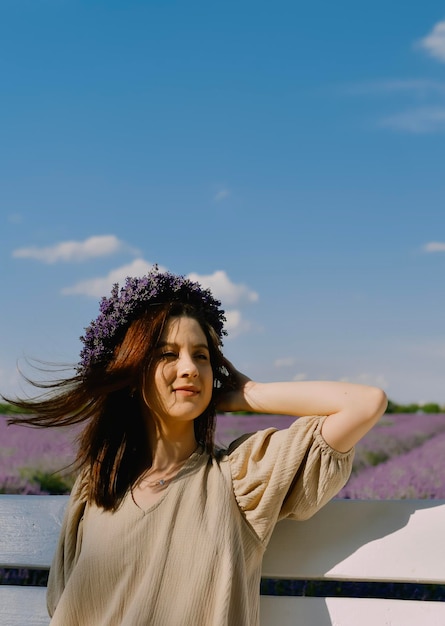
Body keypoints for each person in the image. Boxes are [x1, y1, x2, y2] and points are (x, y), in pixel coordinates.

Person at [5, 267, 387, 626]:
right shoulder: (98, 485)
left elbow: (365, 403)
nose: (189, 367)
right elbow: (63, 605)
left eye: (201, 356)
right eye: (167, 354)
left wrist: (249, 393)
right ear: (133, 370)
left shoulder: (239, 480)